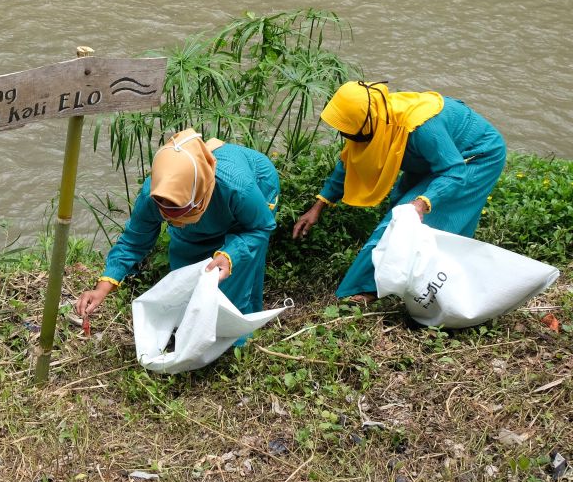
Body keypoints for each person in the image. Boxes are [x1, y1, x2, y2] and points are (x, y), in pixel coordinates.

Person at [291, 80, 507, 302]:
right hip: (430, 159)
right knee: (400, 207)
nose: (347, 138)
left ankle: (364, 289)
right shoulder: (373, 120)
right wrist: (320, 204)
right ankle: (410, 277)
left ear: (368, 121)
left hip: (474, 157)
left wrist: (422, 202)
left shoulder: (421, 127)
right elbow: (349, 162)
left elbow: (453, 170)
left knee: (403, 223)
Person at [75, 128, 280, 323]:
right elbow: (133, 241)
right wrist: (102, 288)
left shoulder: (238, 187)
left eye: (177, 208)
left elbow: (260, 227)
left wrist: (231, 255)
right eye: (164, 208)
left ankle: (235, 332)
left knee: (237, 271)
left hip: (256, 187)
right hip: (198, 218)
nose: (168, 212)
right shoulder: (154, 194)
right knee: (187, 269)